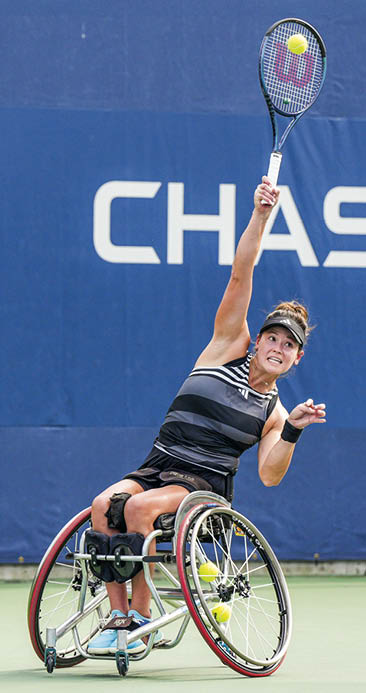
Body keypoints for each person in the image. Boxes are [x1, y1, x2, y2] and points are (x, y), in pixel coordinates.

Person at [87, 176, 326, 654]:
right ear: (258, 341)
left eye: (289, 345)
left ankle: (140, 619)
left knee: (135, 509)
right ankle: (116, 617)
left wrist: (294, 430)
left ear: (297, 359)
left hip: (202, 488)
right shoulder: (223, 349)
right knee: (101, 506)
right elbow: (241, 274)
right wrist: (260, 215)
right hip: (156, 464)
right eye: (273, 338)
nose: (278, 347)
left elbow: (271, 475)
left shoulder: (274, 411)